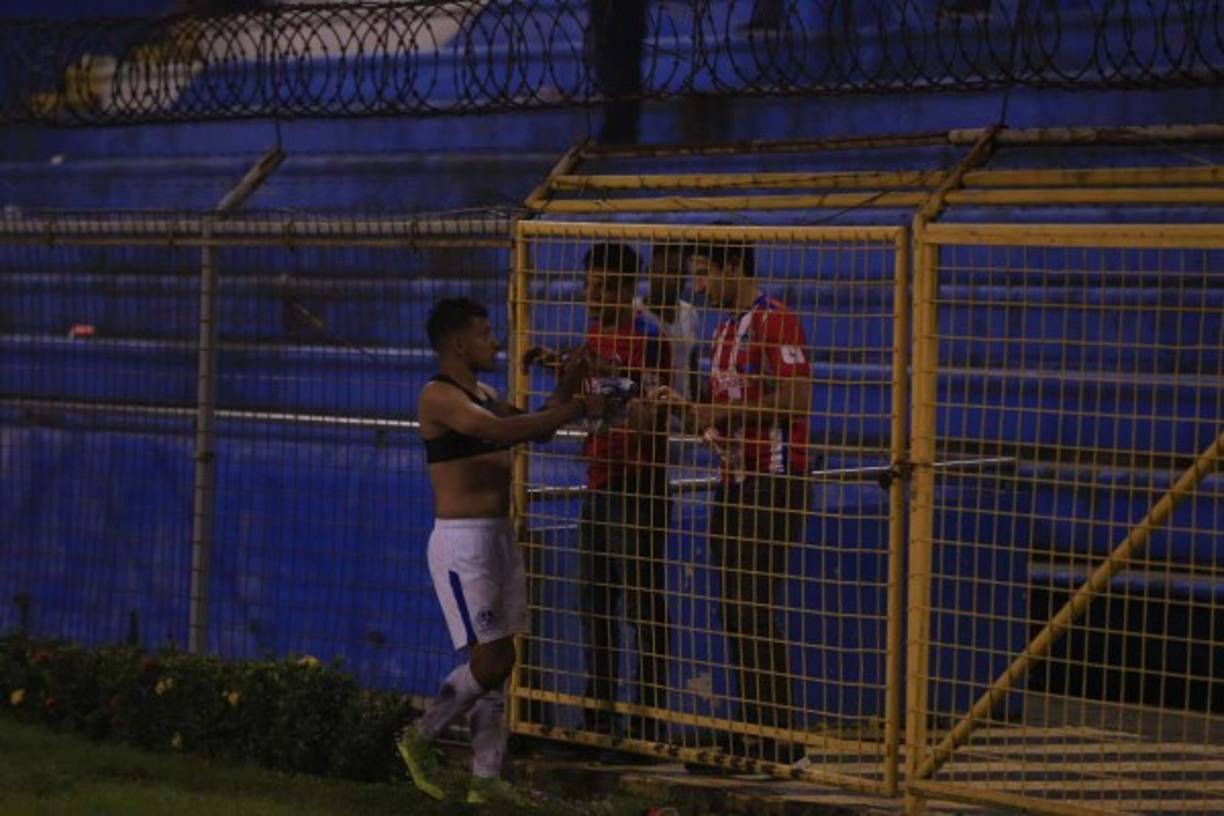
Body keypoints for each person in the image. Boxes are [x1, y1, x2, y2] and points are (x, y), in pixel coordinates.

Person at [396, 297, 602, 804]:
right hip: (463, 543)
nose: (496, 341)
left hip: (498, 537)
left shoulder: (484, 392)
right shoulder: (438, 396)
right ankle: (419, 735)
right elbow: (497, 431)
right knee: (490, 659)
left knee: (499, 661)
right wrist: (579, 407)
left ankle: (485, 782)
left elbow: (539, 426)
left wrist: (570, 385)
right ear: (459, 343)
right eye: (487, 334)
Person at [653, 239, 812, 765]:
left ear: (732, 268)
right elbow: (713, 411)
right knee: (735, 609)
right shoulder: (721, 331)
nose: (695, 286)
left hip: (774, 480)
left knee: (754, 605)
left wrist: (723, 417)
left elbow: (796, 399)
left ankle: (781, 738)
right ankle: (753, 727)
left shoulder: (775, 320)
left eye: (702, 273)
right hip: (733, 481)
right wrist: (682, 407)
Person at [577, 242, 673, 746]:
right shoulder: (592, 336)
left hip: (638, 484)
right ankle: (597, 714)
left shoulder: (650, 341)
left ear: (623, 287)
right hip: (598, 479)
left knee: (642, 603)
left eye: (599, 287)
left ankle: (647, 720)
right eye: (587, 285)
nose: (589, 296)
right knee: (593, 601)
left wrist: (604, 407)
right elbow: (599, 407)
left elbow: (647, 418)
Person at [636, 243, 700, 403]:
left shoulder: (690, 312)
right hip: (649, 411)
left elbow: (692, 367)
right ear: (649, 271)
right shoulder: (634, 313)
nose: (672, 280)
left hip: (683, 412)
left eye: (679, 274)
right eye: (666, 272)